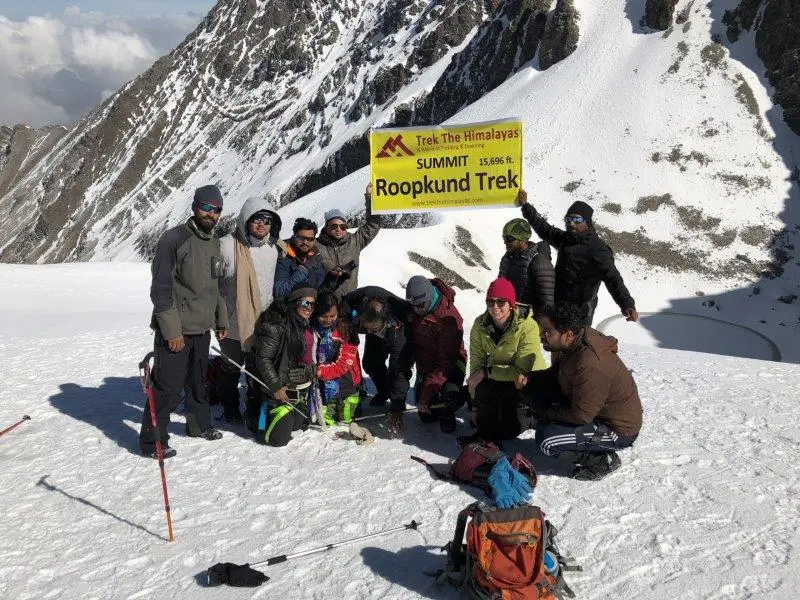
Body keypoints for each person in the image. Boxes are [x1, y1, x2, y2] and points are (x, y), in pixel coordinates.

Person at [139, 185, 229, 458]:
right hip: (176, 331)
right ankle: (153, 442)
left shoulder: (214, 242)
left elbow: (215, 287)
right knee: (167, 387)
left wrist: (221, 320)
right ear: (195, 207)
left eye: (217, 210)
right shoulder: (174, 239)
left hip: (201, 329)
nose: (211, 214)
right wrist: (171, 331)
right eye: (207, 208)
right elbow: (161, 290)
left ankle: (199, 425)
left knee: (198, 382)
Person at [522, 302, 642, 480]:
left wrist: (547, 413)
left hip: (617, 430)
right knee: (536, 391)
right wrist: (531, 379)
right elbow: (557, 375)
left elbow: (581, 415)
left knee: (547, 441)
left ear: (568, 335)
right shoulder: (575, 344)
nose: (542, 337)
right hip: (592, 409)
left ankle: (603, 460)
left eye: (547, 332)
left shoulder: (589, 364)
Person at [517, 189, 638, 326]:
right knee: (553, 337)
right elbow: (544, 229)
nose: (571, 224)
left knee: (577, 339)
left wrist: (627, 304)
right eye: (568, 219)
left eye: (577, 220)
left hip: (581, 311)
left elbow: (613, 278)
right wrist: (526, 206)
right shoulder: (566, 239)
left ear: (587, 222)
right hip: (559, 305)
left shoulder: (598, 249)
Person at [217, 196, 285, 424]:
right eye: (257, 219)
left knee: (258, 367)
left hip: (263, 321)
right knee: (231, 367)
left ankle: (254, 408)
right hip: (233, 322)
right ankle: (230, 407)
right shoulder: (227, 246)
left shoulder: (274, 247)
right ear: (246, 220)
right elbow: (213, 285)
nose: (262, 224)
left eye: (267, 220)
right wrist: (218, 318)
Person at [464, 278, 545, 445]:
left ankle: (531, 417)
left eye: (501, 302)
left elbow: (520, 371)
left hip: (525, 382)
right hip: (499, 375)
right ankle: (487, 434)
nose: (495, 307)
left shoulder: (528, 326)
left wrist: (486, 372)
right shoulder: (480, 325)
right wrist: (475, 406)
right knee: (482, 392)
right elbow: (476, 364)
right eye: (490, 301)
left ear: (511, 304)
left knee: (508, 430)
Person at [251, 286, 317, 446]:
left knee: (297, 425)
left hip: (298, 387)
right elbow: (263, 359)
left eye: (312, 305)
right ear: (294, 303)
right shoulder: (276, 326)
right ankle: (256, 414)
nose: (309, 308)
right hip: (279, 388)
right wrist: (276, 386)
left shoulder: (304, 323)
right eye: (305, 303)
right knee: (279, 440)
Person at [344, 286, 413, 434]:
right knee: (370, 363)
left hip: (400, 332)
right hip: (375, 324)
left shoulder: (398, 331)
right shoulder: (364, 298)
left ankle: (394, 399)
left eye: (373, 329)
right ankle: (384, 391)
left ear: (384, 322)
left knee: (396, 369)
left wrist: (397, 406)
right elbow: (346, 302)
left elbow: (399, 370)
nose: (369, 332)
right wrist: (348, 319)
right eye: (366, 329)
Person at [405, 276, 468, 433]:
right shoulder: (417, 306)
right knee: (426, 416)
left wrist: (426, 396)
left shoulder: (449, 319)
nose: (417, 310)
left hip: (451, 362)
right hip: (427, 362)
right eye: (413, 306)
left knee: (448, 394)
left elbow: (445, 363)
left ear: (429, 298)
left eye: (421, 305)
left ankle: (453, 404)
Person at [316, 183, 381, 299]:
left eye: (342, 226)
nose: (338, 229)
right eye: (334, 226)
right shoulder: (316, 245)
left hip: (349, 300)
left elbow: (373, 225)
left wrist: (369, 197)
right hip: (325, 301)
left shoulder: (355, 241)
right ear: (326, 227)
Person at [313, 294, 363, 425]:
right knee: (325, 423)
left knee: (346, 422)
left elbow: (343, 365)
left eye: (332, 316)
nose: (328, 320)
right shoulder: (313, 329)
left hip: (347, 385)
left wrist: (317, 371)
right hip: (322, 387)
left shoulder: (345, 329)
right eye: (324, 316)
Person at [273, 218, 341, 300]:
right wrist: (304, 269)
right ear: (294, 237)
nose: (305, 242)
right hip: (290, 306)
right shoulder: (283, 255)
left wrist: (333, 278)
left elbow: (319, 291)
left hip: (309, 305)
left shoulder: (315, 257)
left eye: (310, 239)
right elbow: (279, 291)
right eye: (301, 238)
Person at [498, 218, 555, 313]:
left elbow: (547, 302)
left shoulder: (539, 261)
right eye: (504, 238)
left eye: (509, 238)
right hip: (509, 313)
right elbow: (500, 287)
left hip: (529, 317)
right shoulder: (507, 258)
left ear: (522, 240)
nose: (505, 242)